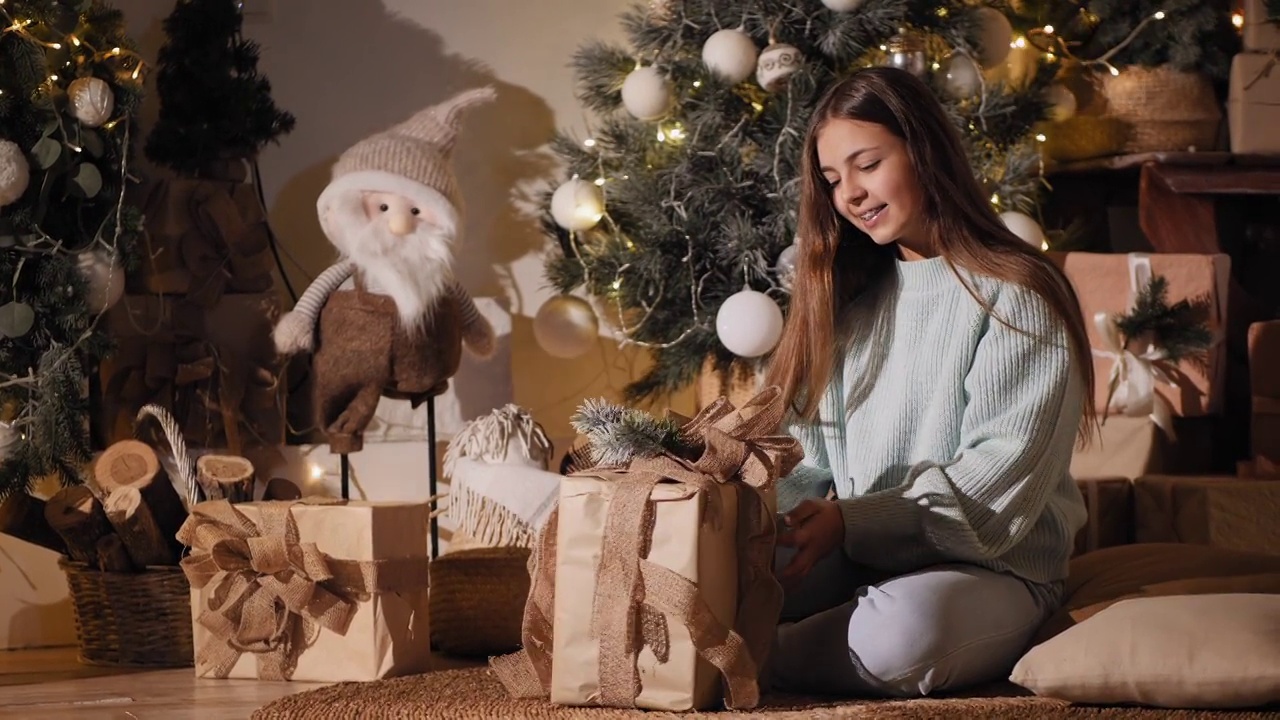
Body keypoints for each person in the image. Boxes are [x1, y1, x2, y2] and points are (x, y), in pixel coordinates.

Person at [763, 66, 1095, 698]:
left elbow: (995, 493)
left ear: (923, 149)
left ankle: (758, 656)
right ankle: (773, 635)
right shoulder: (853, 309)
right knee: (724, 564)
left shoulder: (1017, 296)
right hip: (863, 558)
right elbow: (807, 460)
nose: (851, 195)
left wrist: (849, 522)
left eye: (867, 164)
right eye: (833, 180)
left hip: (993, 571)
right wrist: (766, 517)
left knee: (904, 635)